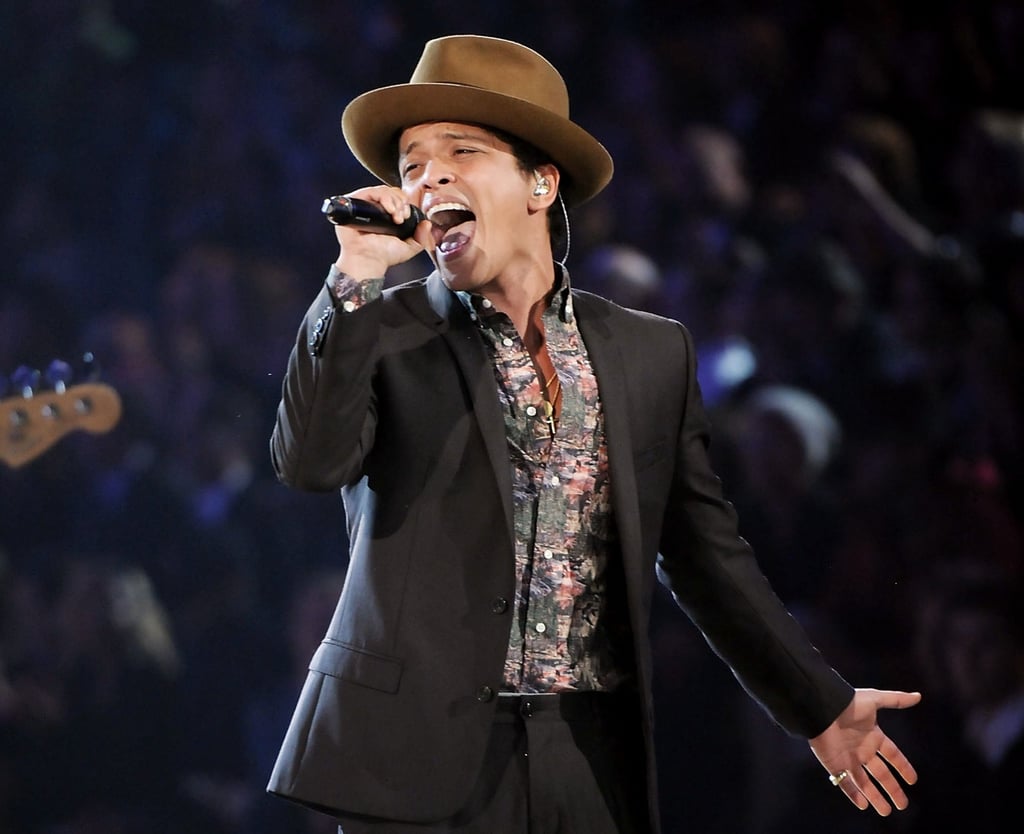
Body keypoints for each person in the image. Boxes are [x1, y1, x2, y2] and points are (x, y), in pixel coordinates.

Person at [265, 34, 921, 834]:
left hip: (588, 758)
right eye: (409, 164)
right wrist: (354, 275)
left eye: (459, 151)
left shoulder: (651, 352)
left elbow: (705, 557)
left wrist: (817, 705)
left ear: (541, 182)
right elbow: (308, 461)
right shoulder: (381, 329)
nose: (425, 177)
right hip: (414, 765)